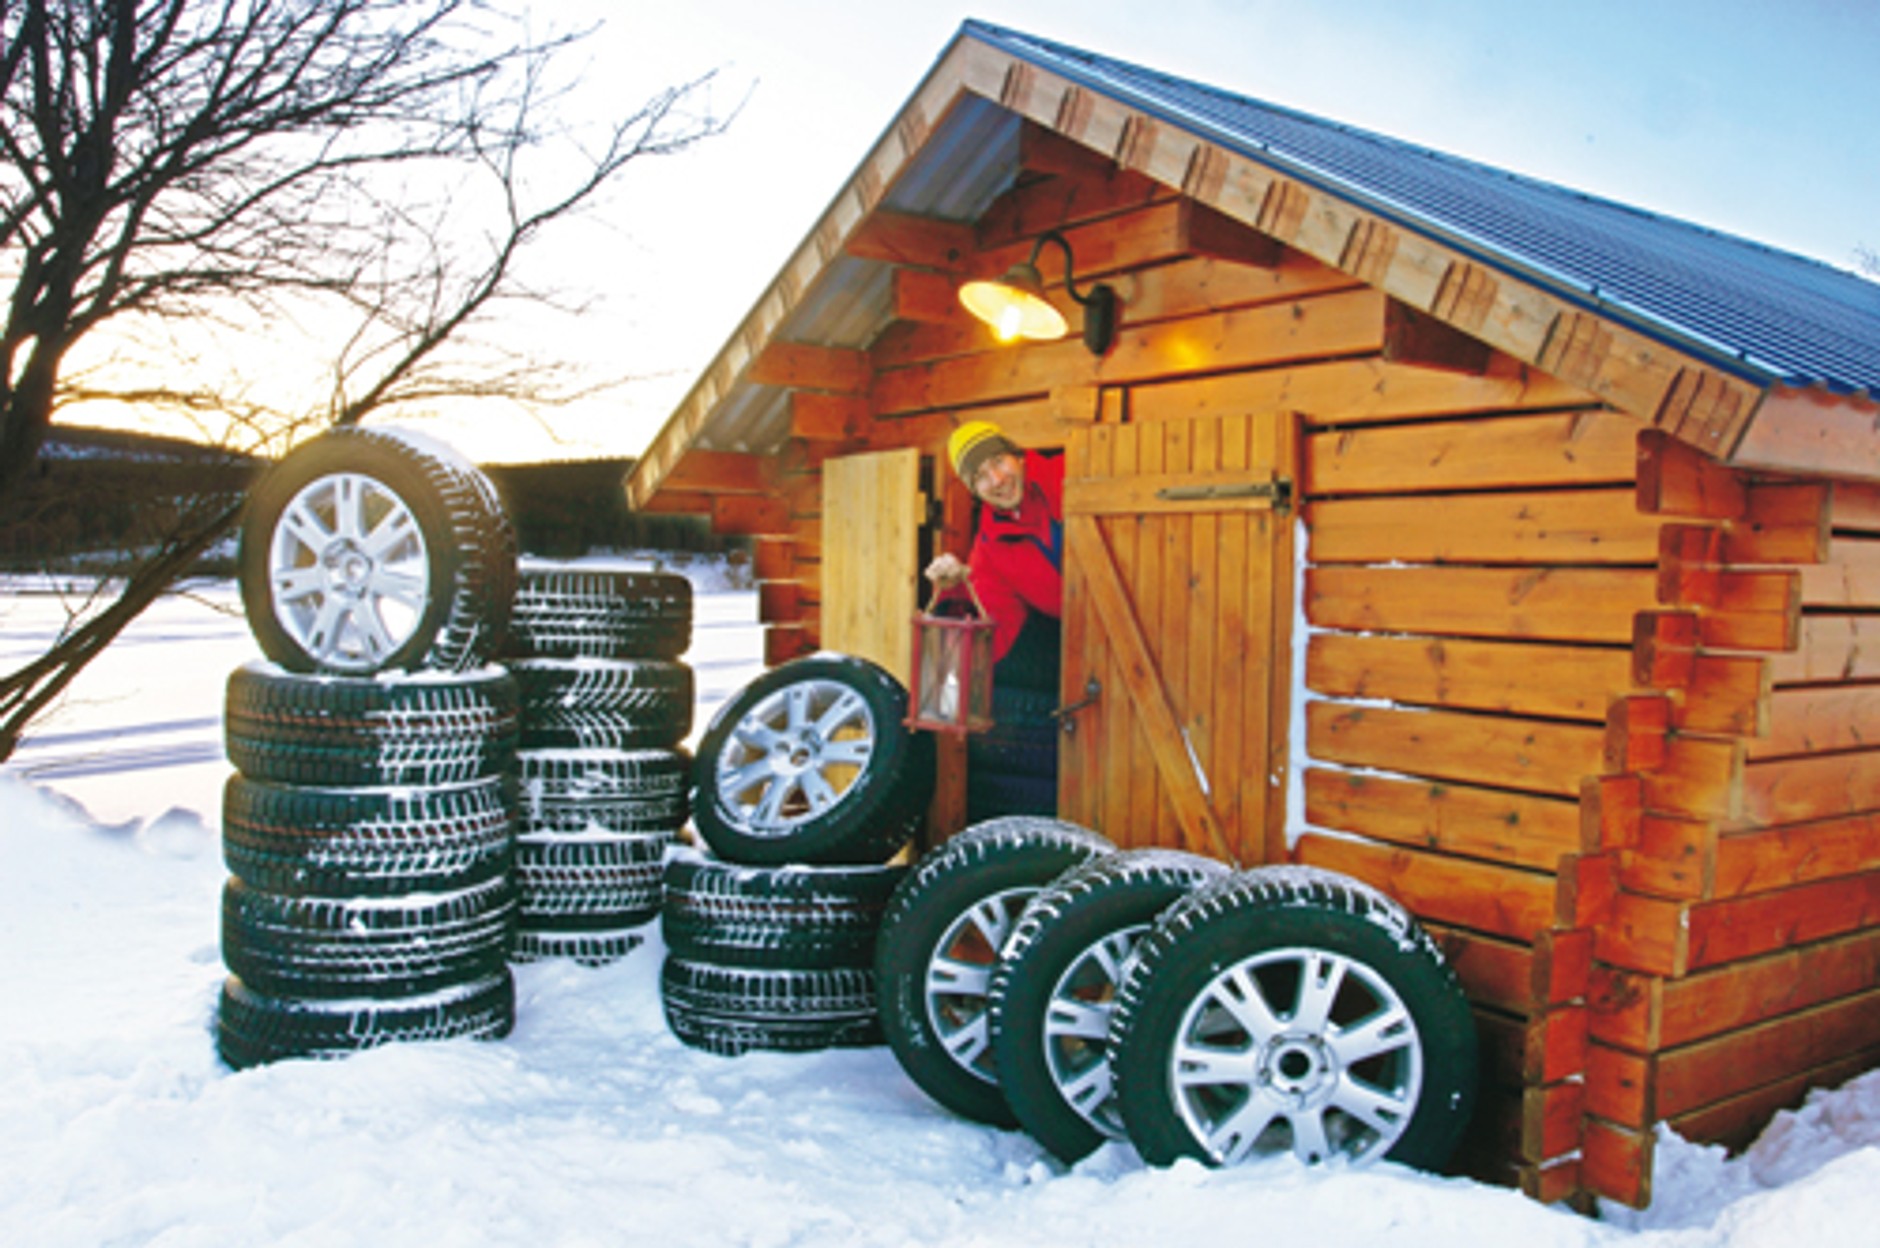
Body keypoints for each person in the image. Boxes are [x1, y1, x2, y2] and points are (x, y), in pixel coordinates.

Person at [923, 421, 1063, 687]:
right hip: (1104, 648)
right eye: (980, 477)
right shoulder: (989, 551)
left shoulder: (1068, 471)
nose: (997, 480)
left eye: (999, 461)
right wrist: (953, 589)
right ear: (973, 490)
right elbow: (996, 630)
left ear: (1017, 456)